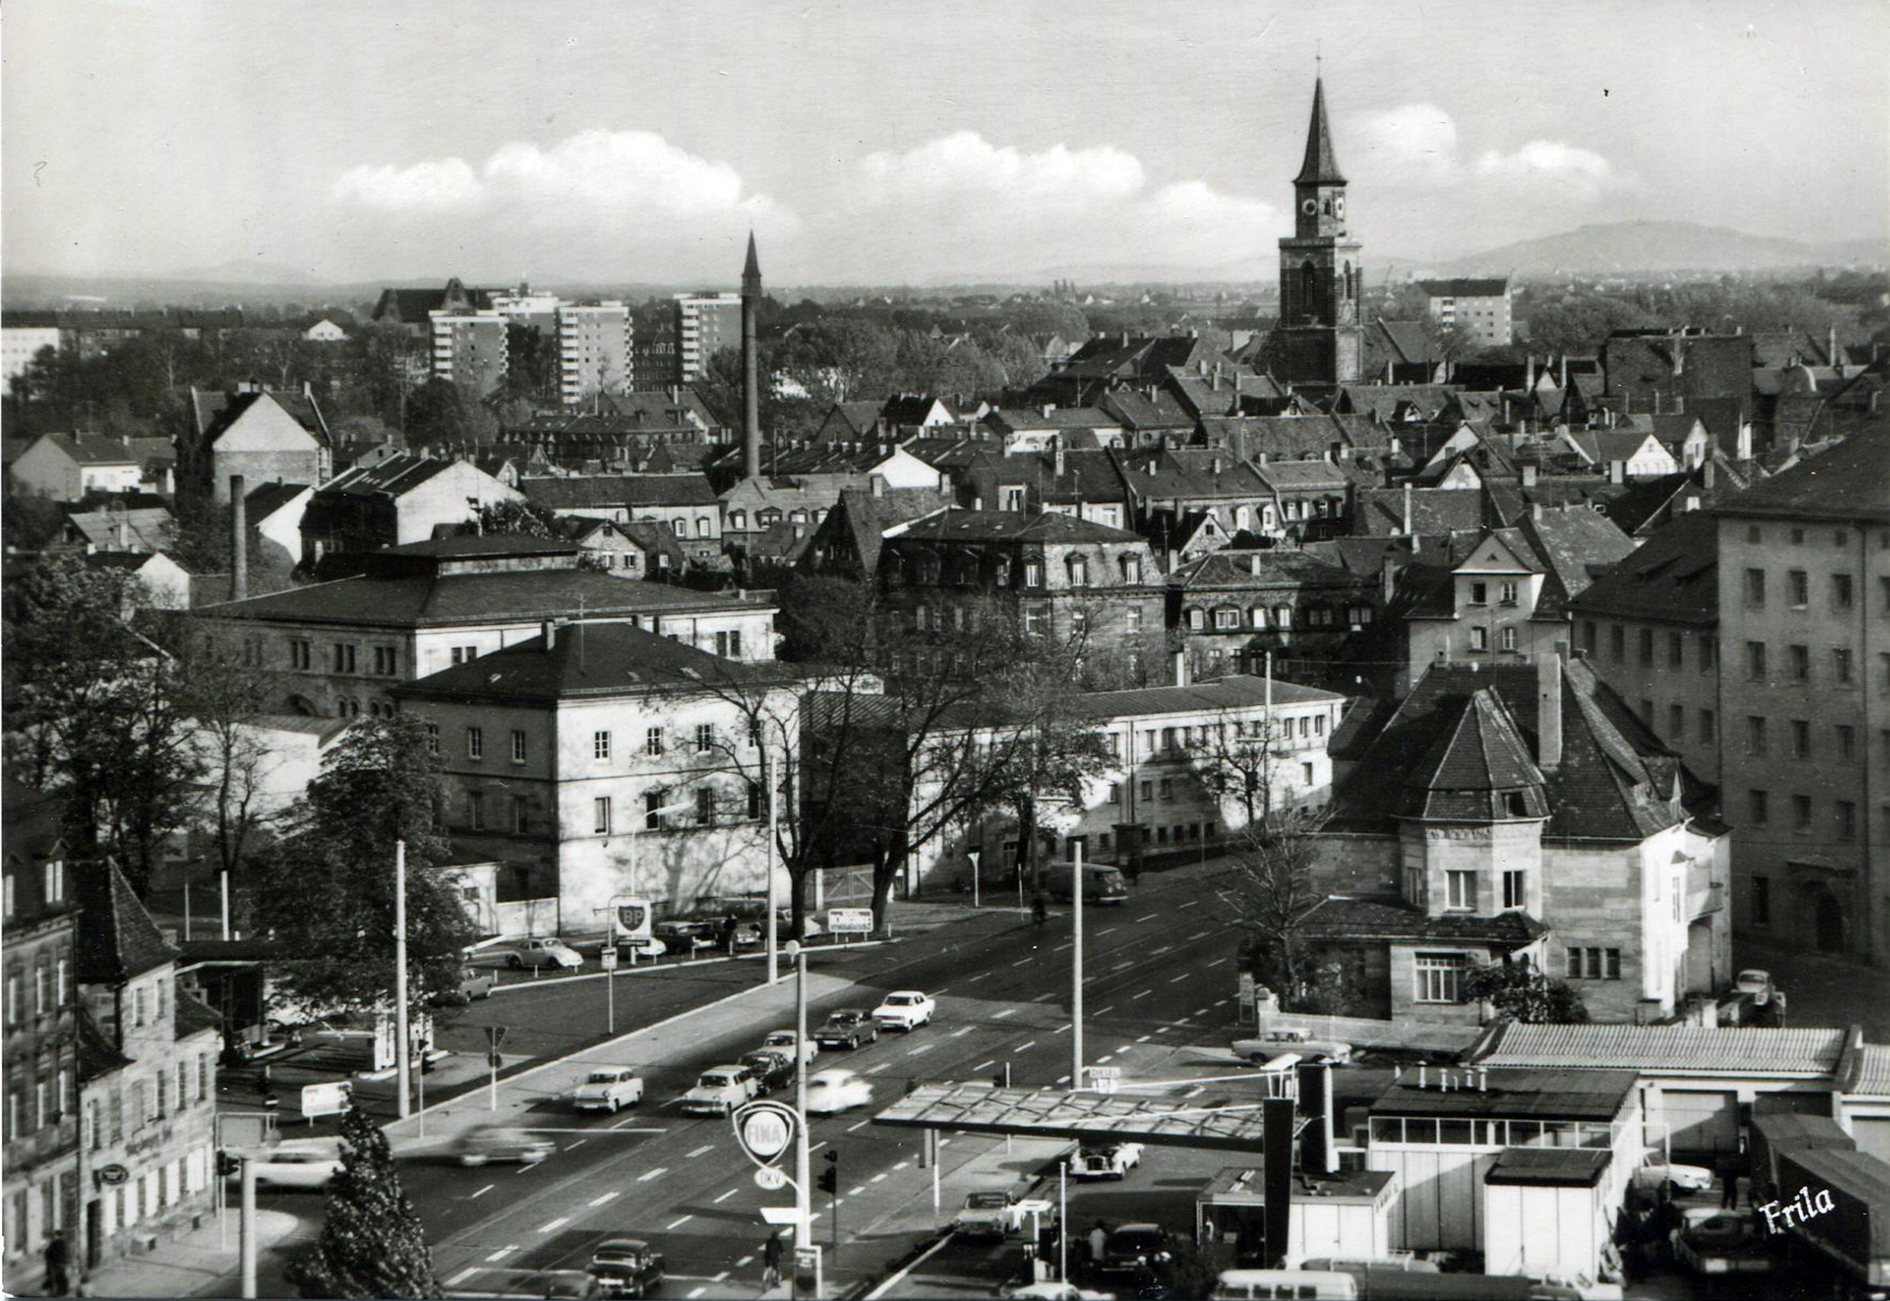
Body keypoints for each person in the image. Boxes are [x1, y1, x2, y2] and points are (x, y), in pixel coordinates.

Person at [44, 1231, 70, 1296]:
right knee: (62, 1276)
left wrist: (46, 1251)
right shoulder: (64, 1242)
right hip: (63, 1262)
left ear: (57, 1235)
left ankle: (58, 1291)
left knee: (57, 1277)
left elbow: (48, 1252)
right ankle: (64, 1290)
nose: (54, 1237)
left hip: (56, 1262)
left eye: (55, 1235)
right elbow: (66, 1253)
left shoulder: (54, 1243)